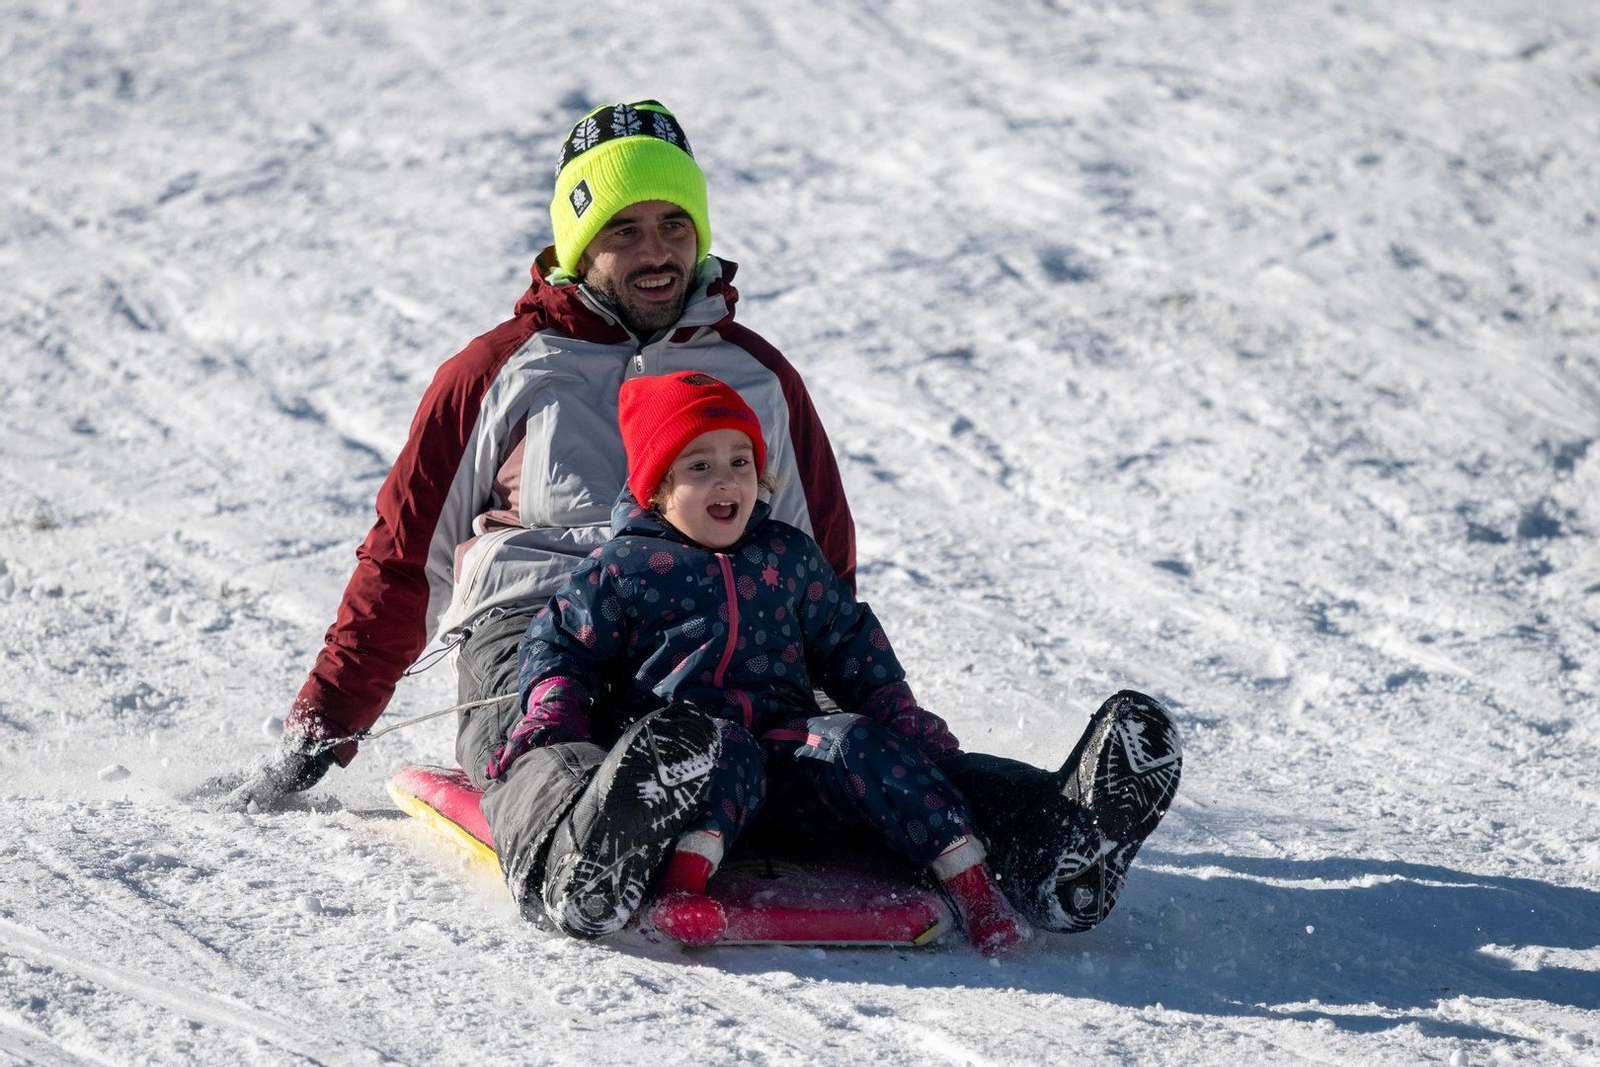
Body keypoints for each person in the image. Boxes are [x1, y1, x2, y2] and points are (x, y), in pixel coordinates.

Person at [214, 98, 1183, 945]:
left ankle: (1048, 838)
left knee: (855, 768)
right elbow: (400, 559)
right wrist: (327, 725)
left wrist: (846, 707)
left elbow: (818, 568)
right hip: (542, 631)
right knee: (547, 745)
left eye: (674, 222)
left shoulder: (755, 374)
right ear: (575, 242)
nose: (655, 248)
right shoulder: (503, 368)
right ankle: (580, 853)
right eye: (625, 226)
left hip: (724, 625)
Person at [489, 370, 1030, 953]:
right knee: (719, 745)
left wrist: (897, 713)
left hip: (786, 759)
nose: (726, 481)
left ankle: (976, 889)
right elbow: (563, 645)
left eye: (740, 462)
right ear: (657, 487)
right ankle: (682, 890)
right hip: (684, 768)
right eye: (700, 467)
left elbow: (847, 638)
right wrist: (552, 712)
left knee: (857, 742)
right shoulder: (624, 567)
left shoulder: (787, 554)